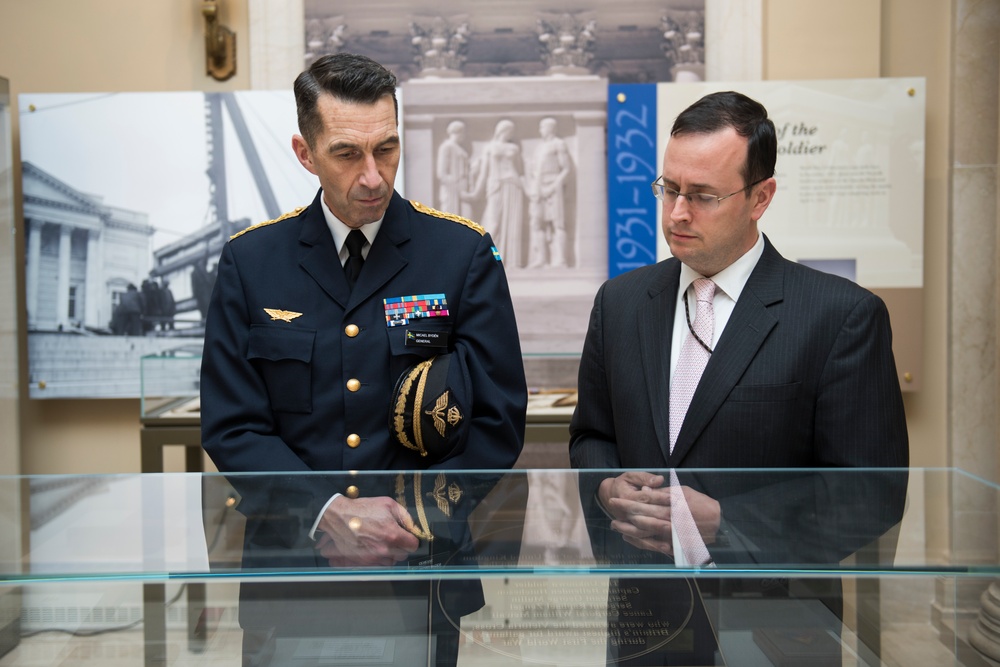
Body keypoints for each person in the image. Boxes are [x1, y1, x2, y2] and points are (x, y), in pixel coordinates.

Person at [200, 52, 528, 667]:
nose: (374, 176)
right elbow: (233, 424)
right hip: (293, 569)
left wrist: (410, 520)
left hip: (421, 566)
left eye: (387, 149)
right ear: (306, 153)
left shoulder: (460, 254)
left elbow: (498, 417)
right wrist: (325, 513)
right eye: (348, 154)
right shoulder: (252, 263)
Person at [569, 91, 908, 665]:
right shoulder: (621, 304)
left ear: (761, 197)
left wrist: (726, 522)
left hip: (777, 620)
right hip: (644, 618)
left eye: (702, 196)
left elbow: (870, 493)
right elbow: (592, 436)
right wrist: (605, 488)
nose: (677, 213)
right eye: (669, 189)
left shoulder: (839, 316)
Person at [470, 118, 525, 267]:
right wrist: (476, 192)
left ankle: (512, 261)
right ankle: (489, 259)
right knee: (493, 221)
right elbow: (484, 173)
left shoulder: (514, 148)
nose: (510, 133)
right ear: (501, 130)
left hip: (513, 186)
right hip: (495, 186)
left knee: (512, 221)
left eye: (512, 131)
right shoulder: (490, 147)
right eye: (508, 130)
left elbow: (519, 171)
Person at [527, 117, 572, 268]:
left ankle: (561, 260)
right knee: (537, 223)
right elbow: (534, 170)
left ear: (550, 128)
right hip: (539, 187)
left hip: (553, 185)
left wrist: (554, 185)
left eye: (542, 127)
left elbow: (566, 168)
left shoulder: (558, 144)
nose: (540, 130)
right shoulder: (539, 147)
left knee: (557, 223)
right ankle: (542, 258)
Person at [435, 119, 472, 219]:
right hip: (451, 189)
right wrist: (455, 185)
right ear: (458, 132)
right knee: (451, 218)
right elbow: (441, 173)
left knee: (465, 219)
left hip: (462, 188)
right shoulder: (446, 147)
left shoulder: (460, 149)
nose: (464, 135)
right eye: (463, 132)